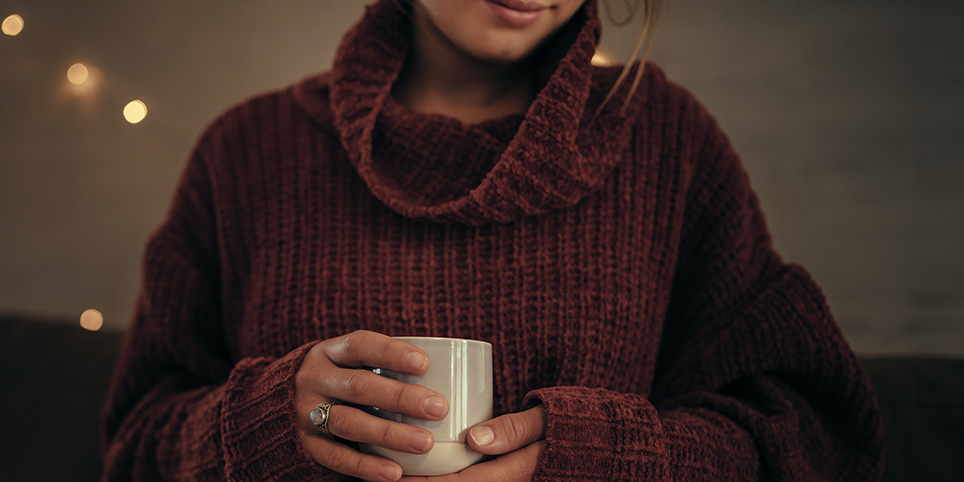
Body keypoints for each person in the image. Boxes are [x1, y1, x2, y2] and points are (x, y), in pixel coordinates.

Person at [100, 0, 886, 480]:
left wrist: (598, 459)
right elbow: (136, 446)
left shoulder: (666, 140)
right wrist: (270, 425)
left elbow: (808, 437)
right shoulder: (245, 152)